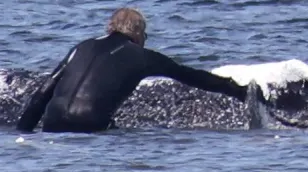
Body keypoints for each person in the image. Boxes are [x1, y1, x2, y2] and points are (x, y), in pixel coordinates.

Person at [17, 7, 249, 133]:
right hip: (90, 127)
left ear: (110, 28)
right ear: (139, 33)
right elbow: (190, 75)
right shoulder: (142, 57)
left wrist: (23, 131)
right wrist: (236, 90)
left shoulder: (81, 47)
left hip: (52, 123)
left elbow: (43, 91)